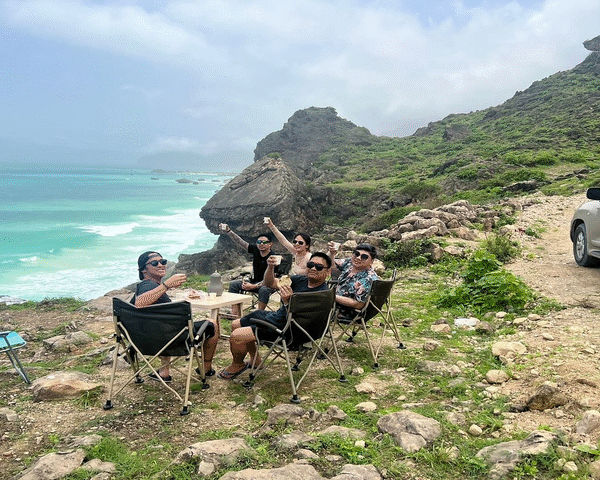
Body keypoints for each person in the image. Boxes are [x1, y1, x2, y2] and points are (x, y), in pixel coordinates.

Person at [218, 252, 332, 379]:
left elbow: (303, 323)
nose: (313, 268)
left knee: (237, 335)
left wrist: (288, 302)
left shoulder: (321, 294)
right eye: (311, 264)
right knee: (236, 324)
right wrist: (270, 267)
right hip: (278, 318)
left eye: (319, 267)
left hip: (289, 331)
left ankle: (237, 364)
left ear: (327, 272)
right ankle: (255, 360)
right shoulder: (301, 280)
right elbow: (270, 284)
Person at [132, 251, 218, 381]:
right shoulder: (148, 285)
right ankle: (205, 369)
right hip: (173, 341)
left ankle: (164, 372)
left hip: (146, 340)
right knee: (213, 323)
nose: (161, 265)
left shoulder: (149, 286)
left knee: (163, 323)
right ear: (144, 270)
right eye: (155, 263)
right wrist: (167, 285)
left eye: (163, 262)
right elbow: (140, 303)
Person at [221, 224, 277, 316]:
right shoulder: (255, 249)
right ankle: (235, 313)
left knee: (264, 290)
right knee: (234, 284)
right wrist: (228, 231)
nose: (261, 244)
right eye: (259, 242)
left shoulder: (273, 258)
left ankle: (259, 314)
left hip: (268, 284)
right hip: (253, 281)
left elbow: (271, 280)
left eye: (264, 242)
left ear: (270, 244)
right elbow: (240, 242)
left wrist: (254, 286)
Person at [327, 242, 379, 318]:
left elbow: (358, 304)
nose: (358, 258)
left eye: (364, 257)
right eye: (357, 254)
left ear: (371, 261)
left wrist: (331, 296)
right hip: (333, 301)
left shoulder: (368, 279)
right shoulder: (349, 263)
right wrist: (331, 253)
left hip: (347, 310)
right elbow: (328, 264)